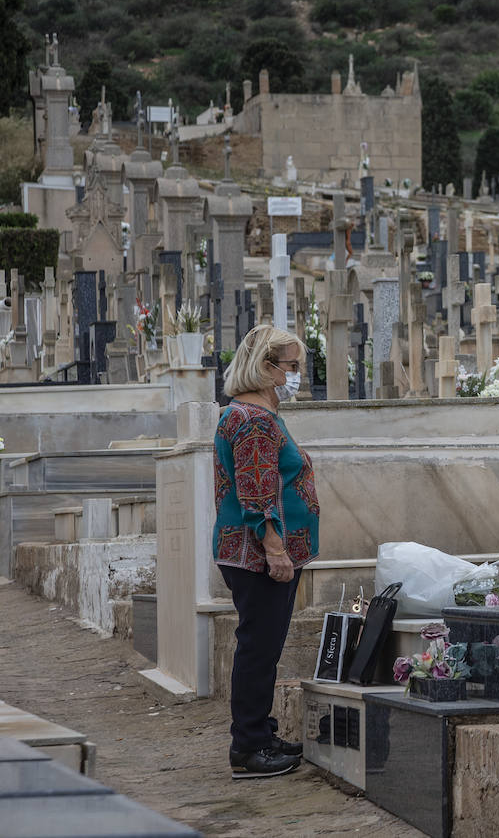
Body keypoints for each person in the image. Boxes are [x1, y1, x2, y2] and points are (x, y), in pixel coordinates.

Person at [213, 325, 319, 779]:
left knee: (262, 647)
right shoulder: (253, 421)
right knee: (258, 649)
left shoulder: (254, 414)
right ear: (266, 367)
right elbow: (257, 492)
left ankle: (260, 733)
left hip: (255, 554)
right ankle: (248, 747)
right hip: (258, 556)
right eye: (291, 366)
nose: (296, 374)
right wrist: (275, 549)